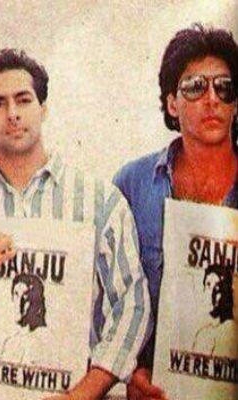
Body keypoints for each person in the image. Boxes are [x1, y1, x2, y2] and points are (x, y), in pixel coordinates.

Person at [0, 48, 150, 399]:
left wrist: (81, 395)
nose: (13, 114)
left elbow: (132, 305)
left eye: (23, 100)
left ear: (43, 108)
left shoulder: (99, 202)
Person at [113, 24, 238, 399]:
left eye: (225, 87)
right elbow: (104, 297)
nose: (212, 99)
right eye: (195, 87)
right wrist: (129, 370)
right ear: (171, 103)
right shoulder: (132, 184)